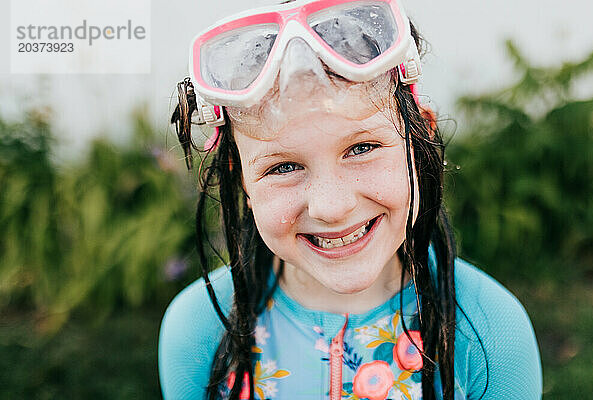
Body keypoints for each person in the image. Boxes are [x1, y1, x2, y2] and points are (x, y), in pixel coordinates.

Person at [159, 0, 543, 399]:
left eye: (362, 148)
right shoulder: (200, 331)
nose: (331, 206)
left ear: (420, 140)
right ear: (243, 184)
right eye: (283, 167)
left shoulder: (488, 335)